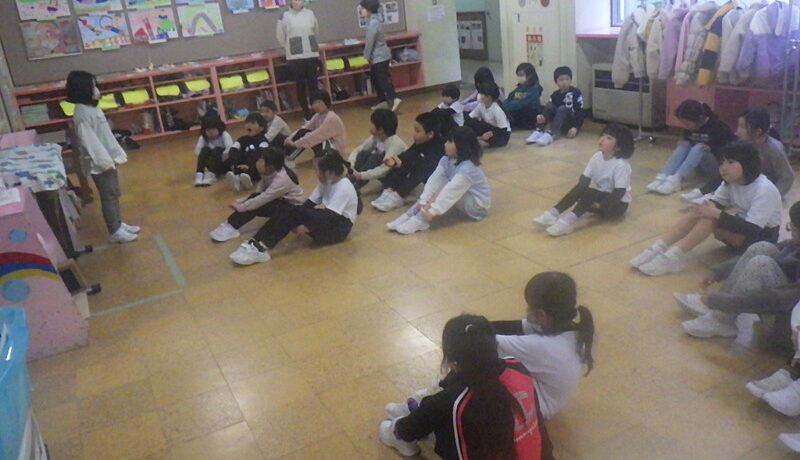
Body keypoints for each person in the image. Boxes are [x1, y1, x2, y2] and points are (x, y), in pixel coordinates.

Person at [378, 314, 552, 459]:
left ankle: (399, 426)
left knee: (426, 418)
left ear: (452, 362)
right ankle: (413, 410)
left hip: (442, 413)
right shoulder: (517, 367)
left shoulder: (451, 402)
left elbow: (412, 427)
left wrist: (399, 429)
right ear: (495, 346)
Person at [631, 142, 783, 276]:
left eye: (731, 162)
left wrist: (716, 214)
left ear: (748, 163)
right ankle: (658, 247)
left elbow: (753, 228)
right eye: (722, 163)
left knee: (711, 218)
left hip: (760, 240)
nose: (723, 168)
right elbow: (714, 203)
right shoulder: (730, 182)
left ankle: (672, 257)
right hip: (741, 230)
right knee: (701, 211)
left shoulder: (764, 189)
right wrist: (705, 208)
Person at [676, 201, 800, 339]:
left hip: (789, 329)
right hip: (781, 306)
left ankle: (721, 318)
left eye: (793, 228)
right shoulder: (794, 245)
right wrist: (718, 271)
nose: (790, 231)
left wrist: (726, 303)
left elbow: (781, 298)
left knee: (761, 264)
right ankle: (718, 312)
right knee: (762, 247)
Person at [491, 272, 595, 419]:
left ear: (541, 315)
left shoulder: (543, 347)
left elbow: (484, 342)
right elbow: (514, 327)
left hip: (538, 409)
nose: (527, 309)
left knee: (480, 359)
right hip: (552, 399)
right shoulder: (570, 328)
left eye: (529, 305)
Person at [228, 151, 357, 265]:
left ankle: (260, 247)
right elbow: (308, 204)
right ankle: (257, 242)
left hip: (338, 230)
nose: (315, 173)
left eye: (317, 170)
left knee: (293, 212)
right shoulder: (327, 182)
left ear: (329, 172)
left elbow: (330, 215)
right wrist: (295, 218)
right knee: (289, 210)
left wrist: (307, 226)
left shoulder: (343, 187)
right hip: (329, 219)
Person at [66, 70, 140, 244]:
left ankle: (118, 223)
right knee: (108, 195)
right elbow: (90, 142)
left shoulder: (91, 107)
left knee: (114, 192)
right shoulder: (82, 112)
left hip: (108, 157)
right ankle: (114, 230)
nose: (96, 89)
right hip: (100, 163)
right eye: (93, 86)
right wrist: (105, 161)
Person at [533, 123, 634, 236]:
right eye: (602, 135)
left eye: (609, 138)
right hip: (599, 197)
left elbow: (619, 192)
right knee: (582, 189)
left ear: (619, 146)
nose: (602, 139)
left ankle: (567, 222)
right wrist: (580, 193)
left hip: (616, 205)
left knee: (591, 193)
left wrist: (601, 205)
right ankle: (553, 213)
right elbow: (583, 182)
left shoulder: (620, 165)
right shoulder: (596, 157)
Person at [387, 126, 490, 235]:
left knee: (445, 186)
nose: (445, 144)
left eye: (450, 141)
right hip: (462, 199)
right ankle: (410, 214)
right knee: (439, 184)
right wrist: (423, 200)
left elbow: (451, 191)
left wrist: (432, 211)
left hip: (477, 206)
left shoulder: (468, 168)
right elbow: (434, 179)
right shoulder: (446, 159)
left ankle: (421, 219)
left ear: (461, 146)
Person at [682, 107, 794, 203]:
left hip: (762, 185)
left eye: (743, 127)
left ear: (758, 132)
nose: (737, 131)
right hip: (745, 180)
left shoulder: (774, 150)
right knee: (728, 169)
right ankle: (706, 192)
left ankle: (715, 198)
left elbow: (787, 177)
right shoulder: (742, 143)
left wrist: (773, 197)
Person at [209, 147, 304, 245]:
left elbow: (262, 199)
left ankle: (231, 227)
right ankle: (230, 225)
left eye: (260, 160)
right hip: (278, 201)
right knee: (254, 201)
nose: (257, 162)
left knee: (256, 203)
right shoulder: (269, 172)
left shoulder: (282, 179)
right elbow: (258, 192)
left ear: (270, 166)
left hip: (291, 209)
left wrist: (242, 207)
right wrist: (241, 201)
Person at [646, 99, 735, 195]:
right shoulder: (689, 129)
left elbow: (729, 149)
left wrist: (712, 148)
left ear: (699, 119)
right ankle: (664, 176)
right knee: (684, 145)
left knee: (699, 147)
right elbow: (688, 144)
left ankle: (677, 179)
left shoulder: (718, 127)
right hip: (699, 166)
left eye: (687, 124)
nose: (685, 127)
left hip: (717, 165)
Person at [372, 112, 446, 212]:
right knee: (403, 161)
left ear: (430, 134)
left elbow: (425, 169)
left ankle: (398, 195)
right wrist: (394, 161)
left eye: (417, 131)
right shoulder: (421, 142)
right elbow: (407, 155)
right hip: (418, 178)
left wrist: (403, 164)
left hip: (430, 183)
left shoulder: (438, 148)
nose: (414, 134)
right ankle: (390, 189)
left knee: (416, 168)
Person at [276, 0, 320, 120]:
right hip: (295, 57)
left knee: (313, 84)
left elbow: (316, 30)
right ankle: (306, 112)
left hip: (311, 54)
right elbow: (280, 36)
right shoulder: (284, 15)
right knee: (300, 85)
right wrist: (288, 47)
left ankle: (316, 111)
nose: (298, 2)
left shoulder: (310, 13)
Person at [283, 90, 346, 168]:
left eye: (319, 102)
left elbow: (316, 135)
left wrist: (295, 144)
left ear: (326, 102)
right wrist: (290, 138)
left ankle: (289, 158)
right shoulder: (318, 115)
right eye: (313, 103)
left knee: (307, 135)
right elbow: (305, 127)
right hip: (324, 144)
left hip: (334, 151)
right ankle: (285, 156)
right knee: (304, 132)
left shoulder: (331, 118)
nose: (316, 106)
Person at [347, 108, 407, 190]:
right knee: (363, 154)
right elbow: (358, 150)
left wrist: (361, 175)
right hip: (384, 170)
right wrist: (351, 165)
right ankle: (350, 179)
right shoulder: (376, 137)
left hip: (397, 176)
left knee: (375, 157)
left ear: (381, 130)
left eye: (372, 124)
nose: (369, 126)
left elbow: (384, 169)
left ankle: (355, 186)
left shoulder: (395, 144)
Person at [360, 0, 401, 112]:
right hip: (379, 56)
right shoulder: (373, 20)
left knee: (382, 80)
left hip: (379, 57)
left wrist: (366, 56)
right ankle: (383, 102)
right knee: (375, 79)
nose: (361, 10)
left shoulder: (373, 22)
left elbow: (370, 42)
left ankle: (395, 98)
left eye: (362, 8)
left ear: (368, 9)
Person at [527, 66, 585, 146]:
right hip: (558, 121)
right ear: (556, 82)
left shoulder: (576, 92)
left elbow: (580, 111)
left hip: (570, 122)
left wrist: (576, 127)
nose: (564, 82)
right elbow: (549, 109)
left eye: (567, 79)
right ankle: (539, 130)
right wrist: (542, 116)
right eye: (561, 80)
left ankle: (551, 133)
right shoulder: (555, 95)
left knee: (562, 108)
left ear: (570, 80)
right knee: (549, 105)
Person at [226, 113, 269, 192]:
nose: (249, 125)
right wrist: (234, 163)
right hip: (242, 165)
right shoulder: (242, 139)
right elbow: (233, 149)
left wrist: (248, 164)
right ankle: (237, 179)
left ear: (261, 127)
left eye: (253, 123)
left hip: (254, 167)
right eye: (247, 123)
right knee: (235, 153)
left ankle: (247, 180)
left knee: (254, 153)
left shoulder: (262, 140)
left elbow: (261, 153)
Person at [464, 82, 511, 148]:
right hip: (491, 128)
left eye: (481, 94)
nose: (479, 95)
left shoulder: (497, 109)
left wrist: (490, 134)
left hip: (502, 135)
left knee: (480, 125)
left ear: (489, 97)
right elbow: (469, 118)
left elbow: (503, 129)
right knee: (472, 122)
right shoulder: (481, 105)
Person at [193, 115, 233, 186]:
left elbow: (230, 148)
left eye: (213, 129)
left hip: (224, 163)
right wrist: (207, 158)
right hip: (211, 163)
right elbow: (197, 150)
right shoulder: (203, 138)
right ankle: (199, 174)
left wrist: (219, 156)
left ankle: (212, 174)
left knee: (217, 150)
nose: (211, 132)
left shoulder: (224, 135)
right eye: (208, 130)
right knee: (204, 150)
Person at [503, 62, 543, 130]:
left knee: (517, 111)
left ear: (530, 75)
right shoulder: (520, 87)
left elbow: (522, 103)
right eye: (518, 75)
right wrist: (502, 106)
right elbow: (510, 97)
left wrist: (505, 108)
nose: (519, 77)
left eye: (521, 75)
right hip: (519, 109)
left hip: (530, 113)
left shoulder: (534, 89)